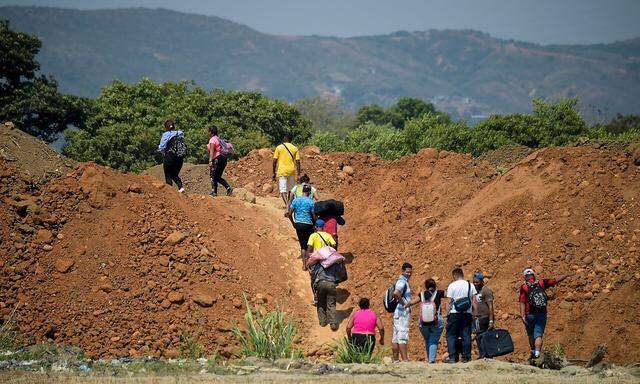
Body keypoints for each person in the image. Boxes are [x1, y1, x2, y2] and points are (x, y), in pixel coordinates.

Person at [519, 268, 570, 359]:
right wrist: (566, 275)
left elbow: (522, 301)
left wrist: (522, 315)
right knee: (538, 334)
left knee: (530, 334)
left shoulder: (524, 287)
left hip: (529, 314)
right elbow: (554, 281)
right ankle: (538, 353)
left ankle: (533, 352)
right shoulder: (541, 283)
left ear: (525, 277)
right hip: (542, 313)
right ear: (534, 275)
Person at [407, 278, 445, 363]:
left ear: (426, 286)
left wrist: (405, 305)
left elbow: (412, 302)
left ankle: (429, 359)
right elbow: (450, 295)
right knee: (433, 340)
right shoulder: (439, 293)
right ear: (435, 285)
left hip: (423, 322)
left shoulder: (422, 294)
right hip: (436, 320)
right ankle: (431, 360)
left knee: (427, 339)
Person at [444, 268, 477, 363]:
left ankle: (453, 357)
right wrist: (474, 315)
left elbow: (449, 302)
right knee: (466, 335)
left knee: (451, 335)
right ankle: (466, 357)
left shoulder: (452, 286)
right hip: (467, 314)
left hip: (454, 314)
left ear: (454, 275)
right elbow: (474, 302)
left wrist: (447, 315)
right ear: (462, 274)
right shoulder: (470, 285)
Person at [306, 219, 337, 304]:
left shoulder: (313, 235)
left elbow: (309, 247)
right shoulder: (328, 235)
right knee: (330, 275)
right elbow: (334, 244)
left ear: (316, 227)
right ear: (324, 227)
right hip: (327, 259)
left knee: (313, 279)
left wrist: (308, 257)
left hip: (317, 260)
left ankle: (316, 298)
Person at [310, 254, 341, 331]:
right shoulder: (334, 264)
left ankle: (323, 321)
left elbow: (313, 275)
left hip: (320, 283)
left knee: (320, 302)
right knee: (331, 303)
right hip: (331, 284)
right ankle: (333, 323)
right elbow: (338, 276)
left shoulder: (318, 264)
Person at [287, 184, 316, 266]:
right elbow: (313, 215)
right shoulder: (311, 202)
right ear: (309, 192)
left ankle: (304, 265)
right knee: (309, 244)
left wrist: (293, 223)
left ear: (302, 191)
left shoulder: (296, 200)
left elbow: (289, 214)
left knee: (303, 245)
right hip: (308, 225)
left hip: (298, 224)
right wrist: (316, 224)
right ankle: (309, 263)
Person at [391, 262, 413, 362]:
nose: (409, 274)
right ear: (402, 271)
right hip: (401, 312)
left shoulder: (402, 281)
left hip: (397, 312)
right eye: (407, 272)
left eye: (410, 272)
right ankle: (405, 360)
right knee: (402, 335)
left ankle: (396, 360)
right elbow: (396, 293)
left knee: (395, 337)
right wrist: (404, 304)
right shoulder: (402, 281)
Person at [272, 133, 300, 207]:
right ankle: (289, 204)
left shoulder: (279, 147)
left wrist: (273, 172)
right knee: (291, 189)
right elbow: (298, 162)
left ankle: (287, 205)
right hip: (291, 171)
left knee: (283, 189)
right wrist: (299, 173)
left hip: (282, 171)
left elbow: (274, 161)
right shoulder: (295, 148)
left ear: (285, 138)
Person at [158, 119, 185, 193]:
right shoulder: (180, 133)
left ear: (166, 127)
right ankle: (180, 187)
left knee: (168, 174)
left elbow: (162, 147)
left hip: (170, 156)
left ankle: (170, 192)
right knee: (174, 174)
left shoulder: (166, 134)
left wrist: (163, 153)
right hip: (180, 157)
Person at [472, 273, 495, 359]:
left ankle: (488, 356)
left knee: (487, 337)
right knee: (479, 337)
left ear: (482, 282)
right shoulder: (474, 292)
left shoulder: (486, 291)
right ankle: (482, 355)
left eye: (477, 282)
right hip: (478, 318)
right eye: (474, 282)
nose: (475, 284)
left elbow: (490, 306)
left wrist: (491, 320)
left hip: (485, 317)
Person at [207, 125, 233, 197]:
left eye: (208, 131)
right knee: (217, 177)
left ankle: (214, 192)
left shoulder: (212, 140)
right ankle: (228, 188)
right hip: (224, 159)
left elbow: (212, 151)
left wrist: (210, 161)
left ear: (211, 132)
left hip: (217, 158)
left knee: (212, 175)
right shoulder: (219, 139)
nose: (207, 133)